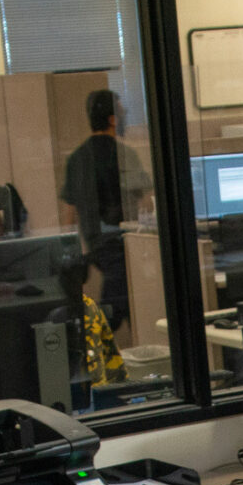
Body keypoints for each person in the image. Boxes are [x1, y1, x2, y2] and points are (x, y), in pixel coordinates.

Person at [61, 89, 151, 329]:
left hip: (93, 247)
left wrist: (72, 254)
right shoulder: (124, 154)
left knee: (125, 303)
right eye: (122, 113)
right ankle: (98, 342)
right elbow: (145, 203)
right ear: (113, 119)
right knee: (118, 307)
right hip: (121, 245)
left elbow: (69, 214)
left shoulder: (76, 158)